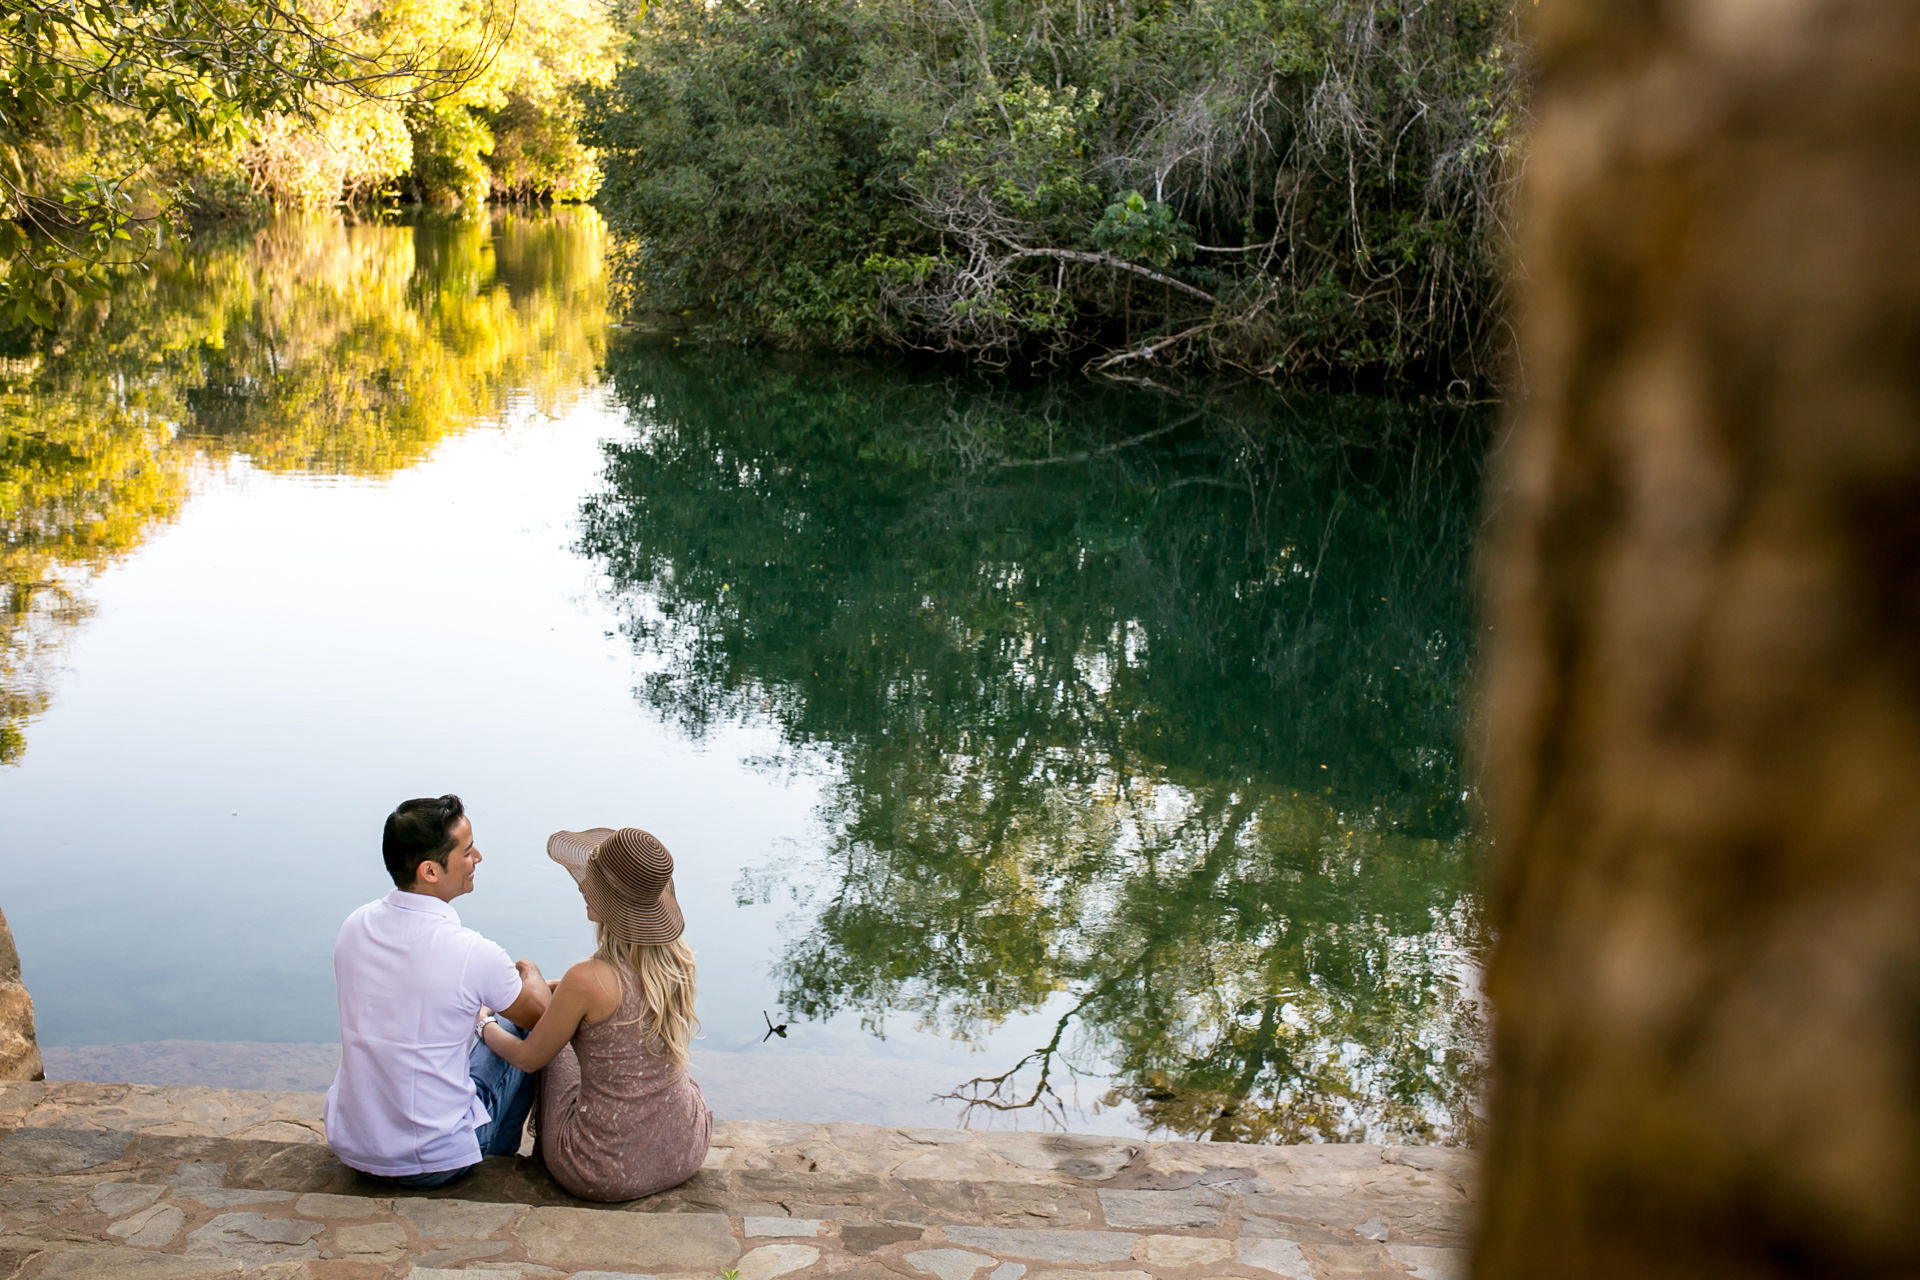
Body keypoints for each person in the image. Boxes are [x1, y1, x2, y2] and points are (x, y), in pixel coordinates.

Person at [324, 794, 552, 1188]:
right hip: (433, 1161)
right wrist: (529, 971)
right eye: (466, 850)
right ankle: (496, 1154)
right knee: (520, 1029)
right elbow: (541, 1015)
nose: (478, 857)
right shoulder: (471, 952)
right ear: (430, 870)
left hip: (356, 1149)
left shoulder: (355, 926)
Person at [474, 826, 712, 1202]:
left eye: (592, 882)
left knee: (545, 1033)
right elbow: (620, 995)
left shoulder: (586, 979)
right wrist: (556, 988)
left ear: (611, 900)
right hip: (683, 1149)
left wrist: (484, 1022)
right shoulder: (676, 961)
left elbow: (527, 1058)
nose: (583, 885)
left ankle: (497, 1151)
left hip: (602, 1168)